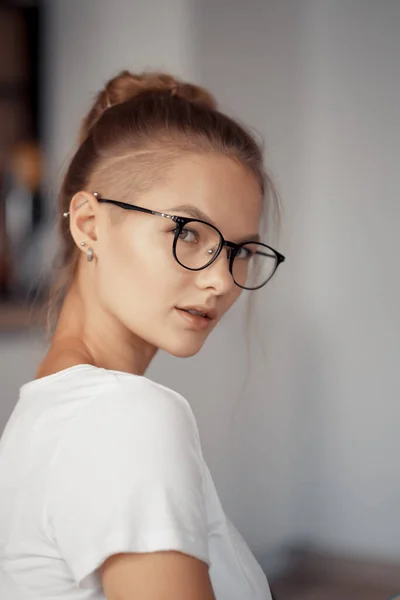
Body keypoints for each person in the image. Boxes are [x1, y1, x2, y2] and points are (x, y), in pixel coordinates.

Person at [0, 71, 285, 600]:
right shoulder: (125, 414)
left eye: (239, 251)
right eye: (186, 232)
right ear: (88, 224)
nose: (221, 279)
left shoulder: (47, 411)